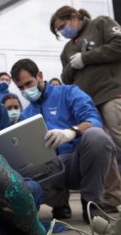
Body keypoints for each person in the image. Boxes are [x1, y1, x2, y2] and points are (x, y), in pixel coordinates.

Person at [10, 58, 115, 224]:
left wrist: (71, 132)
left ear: (39, 75)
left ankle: (91, 202)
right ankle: (59, 203)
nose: (26, 90)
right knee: (21, 176)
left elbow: (94, 120)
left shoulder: (69, 93)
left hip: (76, 161)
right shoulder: (26, 115)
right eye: (20, 88)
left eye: (28, 83)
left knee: (97, 137)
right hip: (49, 169)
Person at [50, 5, 121, 212]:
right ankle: (111, 198)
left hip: (110, 94)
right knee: (103, 149)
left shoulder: (101, 24)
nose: (63, 32)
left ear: (74, 17)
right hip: (88, 104)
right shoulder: (68, 49)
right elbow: (65, 77)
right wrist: (73, 65)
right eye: (59, 30)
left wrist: (87, 58)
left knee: (118, 139)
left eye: (63, 26)